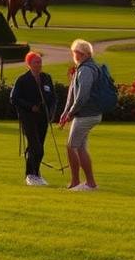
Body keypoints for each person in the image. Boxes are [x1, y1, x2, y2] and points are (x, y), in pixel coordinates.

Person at [59, 39, 102, 191]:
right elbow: (72, 93)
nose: (73, 55)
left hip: (86, 115)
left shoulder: (85, 70)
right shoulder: (84, 67)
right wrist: (66, 112)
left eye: (75, 52)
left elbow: (82, 96)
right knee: (79, 146)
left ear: (81, 54)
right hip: (87, 114)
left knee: (72, 146)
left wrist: (70, 113)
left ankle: (85, 183)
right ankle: (82, 182)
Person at [10, 51, 56, 186]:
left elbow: (53, 97)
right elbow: (14, 98)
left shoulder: (47, 77)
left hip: (43, 117)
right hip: (28, 117)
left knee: (39, 146)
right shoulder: (22, 79)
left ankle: (36, 173)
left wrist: (51, 113)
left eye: (40, 62)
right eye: (36, 62)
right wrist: (30, 107)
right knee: (35, 146)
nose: (39, 64)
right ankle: (30, 174)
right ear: (29, 64)